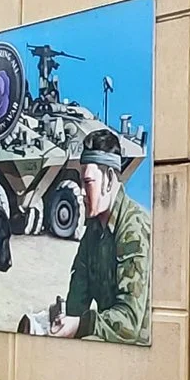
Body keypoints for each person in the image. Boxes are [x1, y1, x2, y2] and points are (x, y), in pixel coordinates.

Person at [52, 130, 150, 344]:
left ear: (110, 180)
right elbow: (79, 293)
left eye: (88, 182)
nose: (81, 191)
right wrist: (66, 321)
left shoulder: (133, 228)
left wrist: (80, 325)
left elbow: (130, 322)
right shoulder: (94, 230)